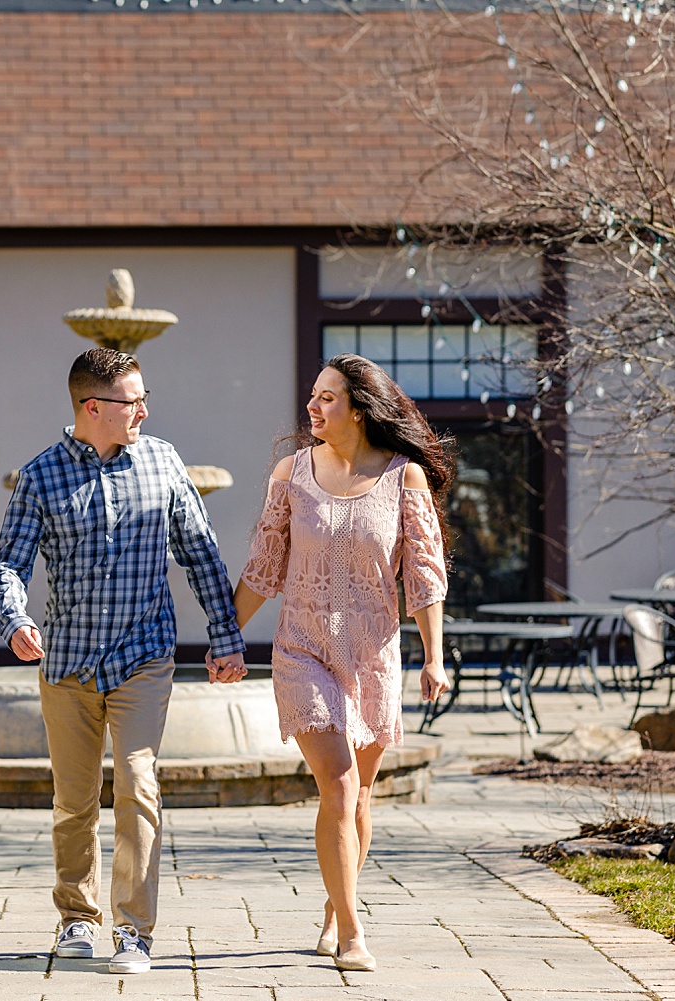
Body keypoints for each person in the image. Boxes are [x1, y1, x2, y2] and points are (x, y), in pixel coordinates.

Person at [0, 347, 247, 975]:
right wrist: (15, 619)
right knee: (74, 801)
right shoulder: (41, 476)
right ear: (94, 408)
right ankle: (77, 918)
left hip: (143, 657)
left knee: (138, 785)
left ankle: (134, 932)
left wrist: (226, 635)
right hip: (69, 663)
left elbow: (201, 552)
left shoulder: (162, 461)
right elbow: (8, 566)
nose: (145, 410)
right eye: (134, 401)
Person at [233, 353, 451, 973]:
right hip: (302, 648)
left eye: (326, 397)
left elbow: (426, 575)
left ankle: (335, 905)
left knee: (359, 798)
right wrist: (224, 636)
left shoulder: (403, 477)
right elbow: (264, 565)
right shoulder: (292, 473)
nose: (313, 406)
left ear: (359, 407)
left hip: (374, 656)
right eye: (313, 395)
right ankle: (353, 933)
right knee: (337, 781)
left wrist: (434, 657)